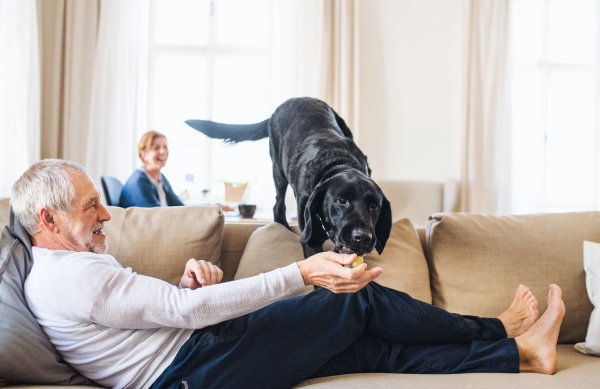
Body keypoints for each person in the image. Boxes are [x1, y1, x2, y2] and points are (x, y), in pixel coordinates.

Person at [11, 159, 566, 389]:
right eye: (91, 206)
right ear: (48, 218)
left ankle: (520, 357)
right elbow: (184, 315)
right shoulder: (70, 277)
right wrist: (304, 270)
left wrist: (185, 289)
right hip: (192, 370)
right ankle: (499, 328)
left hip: (193, 356)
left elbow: (151, 313)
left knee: (364, 348)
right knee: (355, 304)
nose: (105, 213)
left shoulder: (65, 268)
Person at [120, 131, 184, 208]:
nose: (162, 151)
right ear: (144, 154)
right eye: (156, 148)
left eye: (165, 147)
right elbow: (155, 216)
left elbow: (179, 206)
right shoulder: (138, 181)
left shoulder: (161, 178)